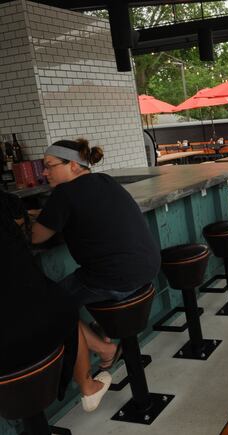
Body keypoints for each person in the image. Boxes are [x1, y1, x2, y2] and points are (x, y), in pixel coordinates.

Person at [31, 138, 161, 410]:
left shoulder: (64, 195)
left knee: (51, 305)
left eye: (49, 166)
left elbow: (36, 236)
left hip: (115, 278)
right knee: (62, 300)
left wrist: (37, 218)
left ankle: (90, 382)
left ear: (74, 167)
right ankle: (104, 348)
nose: (44, 173)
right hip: (148, 268)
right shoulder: (105, 181)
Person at [0, 190, 108, 412]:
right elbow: (27, 229)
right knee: (62, 308)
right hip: (39, 338)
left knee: (56, 306)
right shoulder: (7, 211)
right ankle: (88, 385)